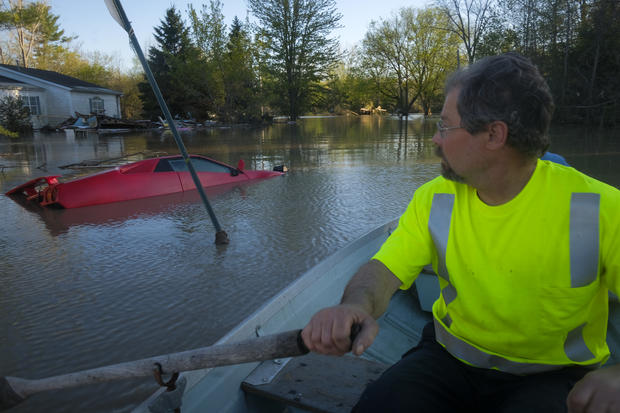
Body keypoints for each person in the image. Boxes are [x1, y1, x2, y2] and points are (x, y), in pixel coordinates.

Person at [301, 53, 620, 413]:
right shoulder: (434, 198)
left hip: (553, 376)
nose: (435, 139)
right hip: (448, 359)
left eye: (445, 126)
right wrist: (353, 306)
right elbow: (384, 270)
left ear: (493, 134)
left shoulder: (601, 209)